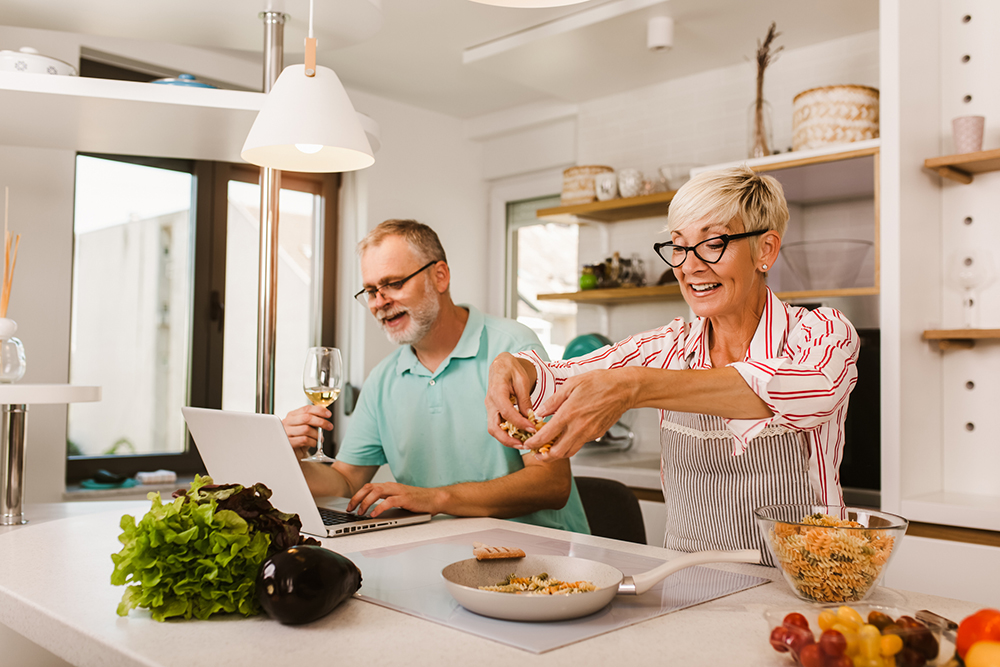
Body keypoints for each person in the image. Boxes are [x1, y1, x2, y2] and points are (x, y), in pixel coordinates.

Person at [486, 165, 859, 559]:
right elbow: (558, 377)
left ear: (764, 250)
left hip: (805, 581)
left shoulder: (820, 332)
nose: (689, 266)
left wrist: (636, 387)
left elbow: (810, 390)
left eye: (713, 243)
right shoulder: (667, 348)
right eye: (679, 247)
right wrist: (512, 368)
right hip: (687, 580)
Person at [283, 219, 589, 534]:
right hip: (438, 553)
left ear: (439, 276)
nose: (380, 302)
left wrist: (435, 498)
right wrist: (284, 458)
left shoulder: (513, 349)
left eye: (394, 283)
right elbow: (346, 480)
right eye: (372, 290)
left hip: (540, 557)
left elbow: (550, 483)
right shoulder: (383, 379)